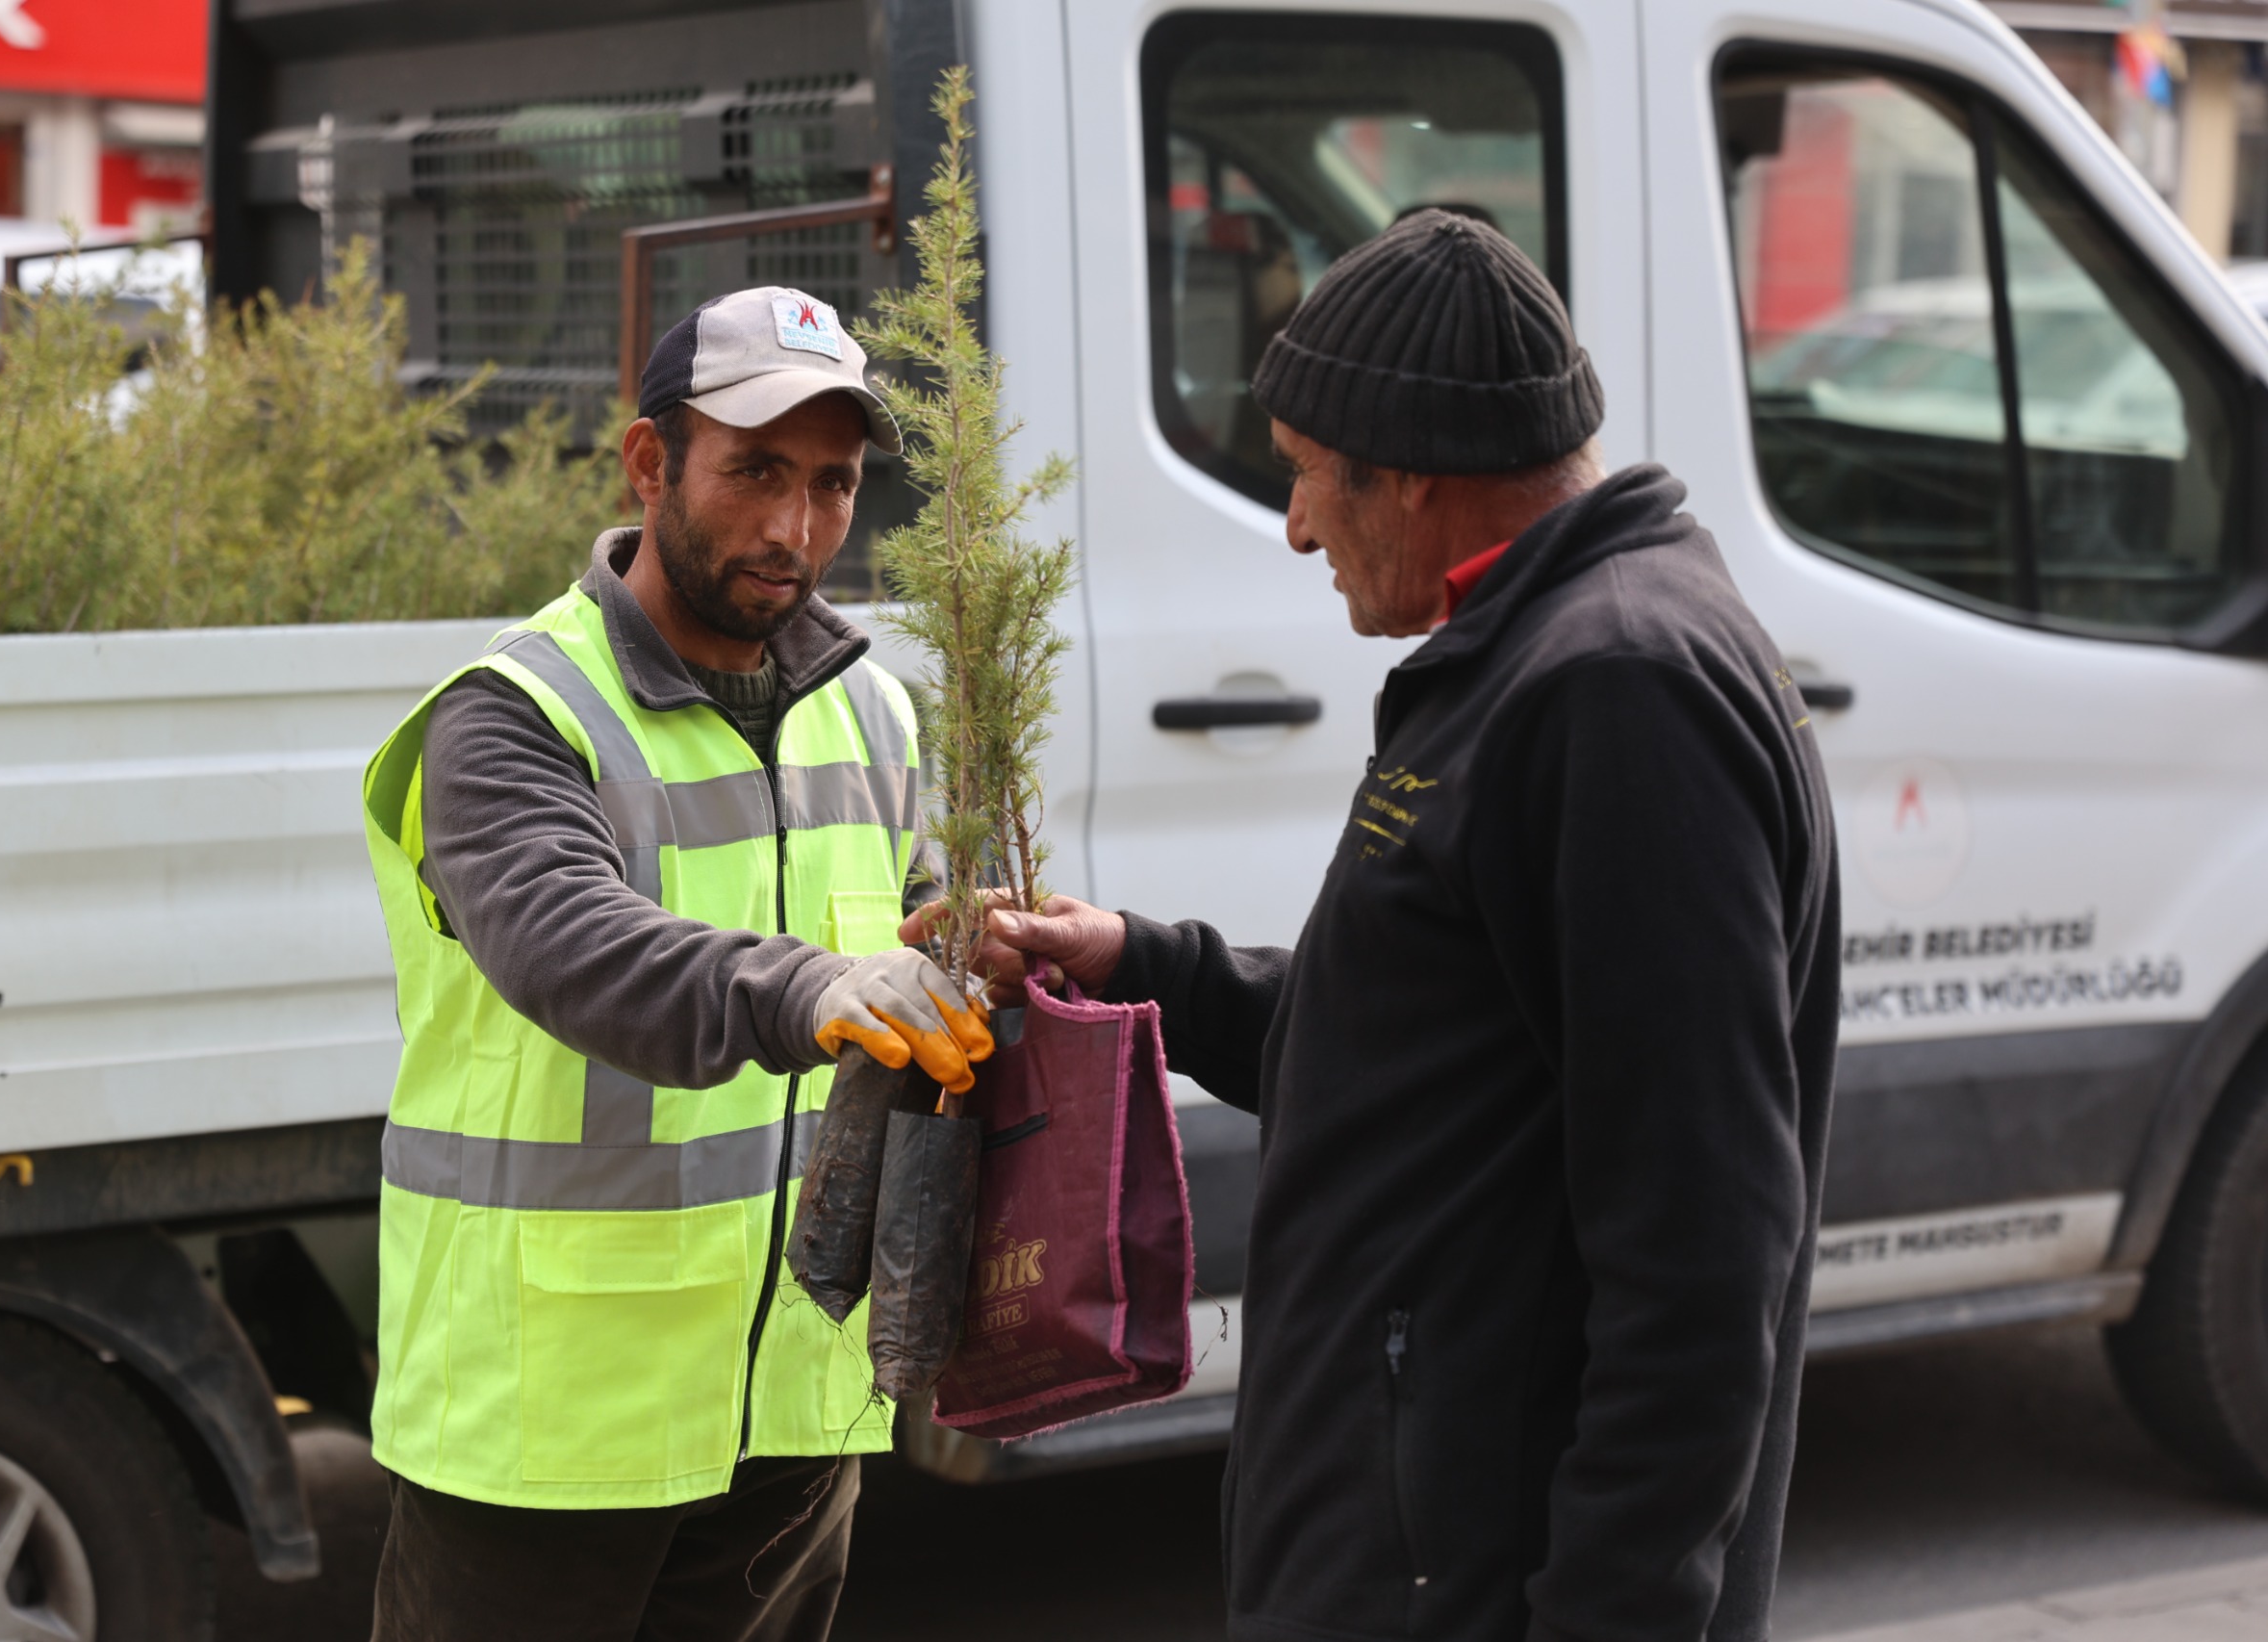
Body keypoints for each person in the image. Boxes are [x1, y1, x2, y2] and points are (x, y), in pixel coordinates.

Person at [953, 213, 1841, 1641]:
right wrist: (1146, 967)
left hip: (1470, 1581)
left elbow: (1701, 1251)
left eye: (1308, 479)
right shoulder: (1539, 651)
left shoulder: (1617, 692)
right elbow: (1433, 1040)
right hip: (1408, 1550)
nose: (1298, 525)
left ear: (1416, 475)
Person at [357, 285, 990, 1641]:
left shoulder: (873, 708)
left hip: (793, 1401)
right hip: (546, 1424)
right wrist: (815, 987)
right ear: (650, 463)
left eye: (832, 482)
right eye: (755, 469)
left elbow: (921, 951)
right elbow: (570, 949)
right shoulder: (516, 715)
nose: (796, 525)